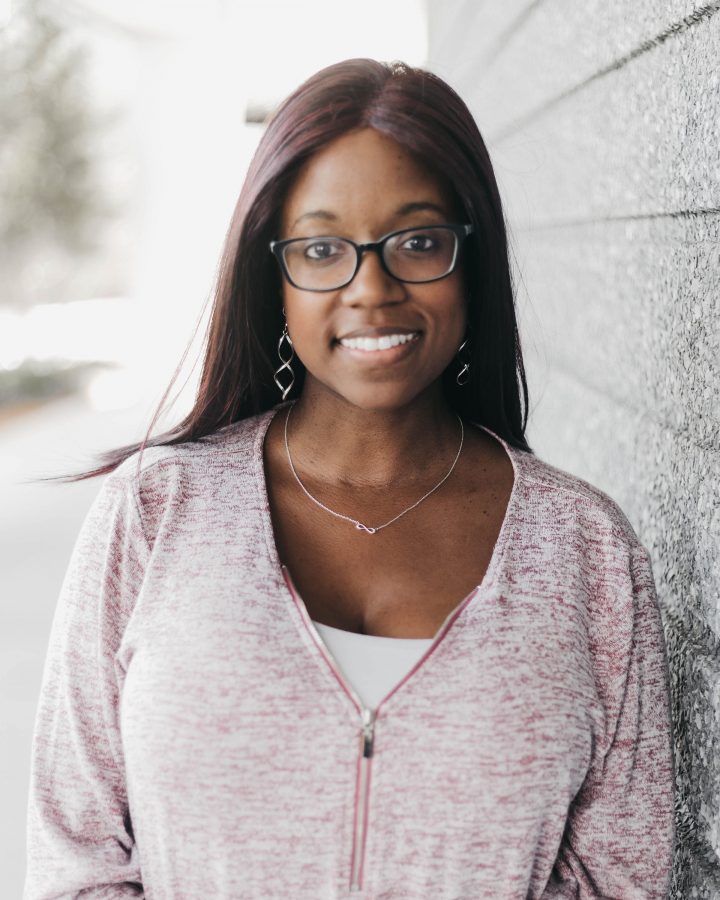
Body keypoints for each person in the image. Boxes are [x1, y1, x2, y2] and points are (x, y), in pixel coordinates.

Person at [24, 59, 675, 899]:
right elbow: (75, 854)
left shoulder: (587, 554)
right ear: (276, 277)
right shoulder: (155, 511)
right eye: (324, 249)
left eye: (418, 242)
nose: (372, 289)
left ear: (472, 258)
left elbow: (622, 878)